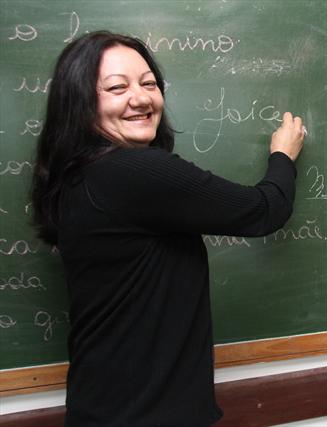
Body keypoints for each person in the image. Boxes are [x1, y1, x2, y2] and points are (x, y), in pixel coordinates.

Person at [31, 31, 305, 426]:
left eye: (149, 83)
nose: (141, 98)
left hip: (100, 407)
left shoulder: (74, 176)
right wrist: (283, 154)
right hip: (150, 413)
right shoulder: (135, 171)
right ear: (81, 102)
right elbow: (263, 210)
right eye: (116, 87)